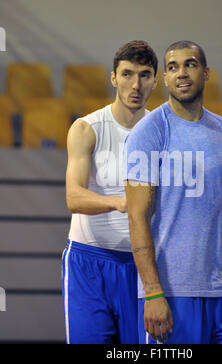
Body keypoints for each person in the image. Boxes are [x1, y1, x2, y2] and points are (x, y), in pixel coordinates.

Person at [123, 40, 222, 344]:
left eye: (190, 64)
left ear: (206, 73)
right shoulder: (149, 132)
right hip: (173, 296)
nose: (182, 73)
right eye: (173, 67)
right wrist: (153, 292)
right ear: (165, 79)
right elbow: (136, 217)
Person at [62, 40, 158, 344]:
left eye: (144, 75)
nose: (136, 84)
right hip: (87, 262)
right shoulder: (86, 128)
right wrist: (121, 202)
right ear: (113, 77)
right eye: (127, 74)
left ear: (156, 80)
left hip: (141, 264)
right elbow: (73, 197)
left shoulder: (163, 132)